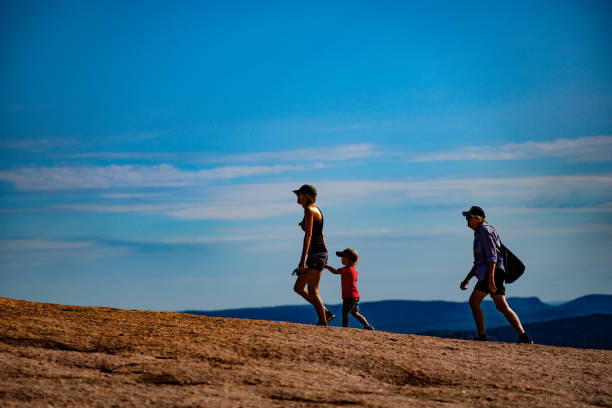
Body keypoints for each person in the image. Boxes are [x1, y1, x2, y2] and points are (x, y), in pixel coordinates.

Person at [460, 206, 533, 344]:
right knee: (501, 306)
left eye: (469, 217)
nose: (467, 220)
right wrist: (467, 279)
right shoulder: (479, 233)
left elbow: (492, 256)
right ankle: (523, 337)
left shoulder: (485, 231)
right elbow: (478, 262)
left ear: (478, 218)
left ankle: (482, 336)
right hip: (490, 272)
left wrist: (491, 279)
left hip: (492, 271)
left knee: (474, 302)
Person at [292, 184, 335, 326]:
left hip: (316, 254)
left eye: (299, 194)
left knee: (312, 290)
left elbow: (308, 236)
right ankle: (325, 312)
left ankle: (323, 321)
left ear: (304, 195)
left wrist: (302, 261)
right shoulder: (313, 210)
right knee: (298, 287)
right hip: (317, 253)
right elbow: (321, 234)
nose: (297, 197)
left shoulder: (310, 210)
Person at [324, 248, 374, 330]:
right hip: (356, 296)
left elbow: (336, 271)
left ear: (349, 259)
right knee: (355, 313)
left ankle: (345, 328)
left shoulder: (346, 269)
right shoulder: (354, 270)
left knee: (345, 314)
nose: (341, 259)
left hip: (349, 296)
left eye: (343, 257)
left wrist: (327, 266)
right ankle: (367, 326)